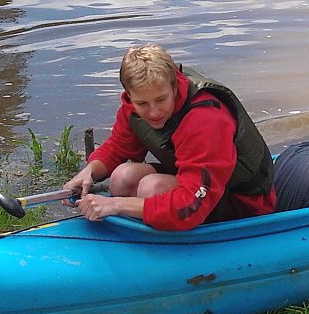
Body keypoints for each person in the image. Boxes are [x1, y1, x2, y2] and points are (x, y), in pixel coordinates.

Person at [63, 44, 276, 230]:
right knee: (122, 177)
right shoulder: (136, 103)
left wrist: (116, 205)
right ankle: (145, 227)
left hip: (240, 202)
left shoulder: (206, 118)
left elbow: (190, 206)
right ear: (130, 95)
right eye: (142, 103)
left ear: (174, 87)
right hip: (192, 181)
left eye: (161, 99)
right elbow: (118, 147)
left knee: (151, 188)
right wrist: (89, 172)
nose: (153, 112)